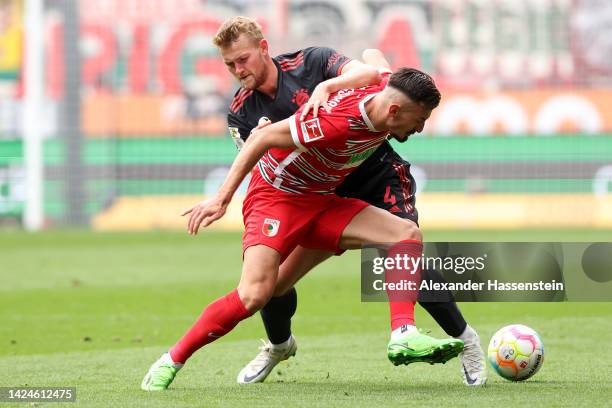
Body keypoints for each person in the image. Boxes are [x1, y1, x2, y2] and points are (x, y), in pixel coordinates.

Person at [141, 64, 466, 391]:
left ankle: (403, 334)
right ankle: (172, 359)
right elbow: (263, 137)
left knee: (405, 234)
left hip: (322, 199)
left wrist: (329, 86)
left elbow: (372, 62)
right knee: (256, 294)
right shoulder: (333, 124)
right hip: (276, 198)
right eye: (419, 120)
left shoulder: (385, 90)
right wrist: (221, 199)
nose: (420, 128)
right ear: (394, 111)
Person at [214, 17, 486, 386]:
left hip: (374, 173)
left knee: (405, 248)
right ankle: (278, 346)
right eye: (229, 64)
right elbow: (264, 163)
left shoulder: (311, 62)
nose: (237, 70)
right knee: (273, 282)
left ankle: (466, 342)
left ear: (263, 49)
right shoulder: (242, 113)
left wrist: (331, 85)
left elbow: (374, 66)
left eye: (242, 59)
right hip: (314, 191)